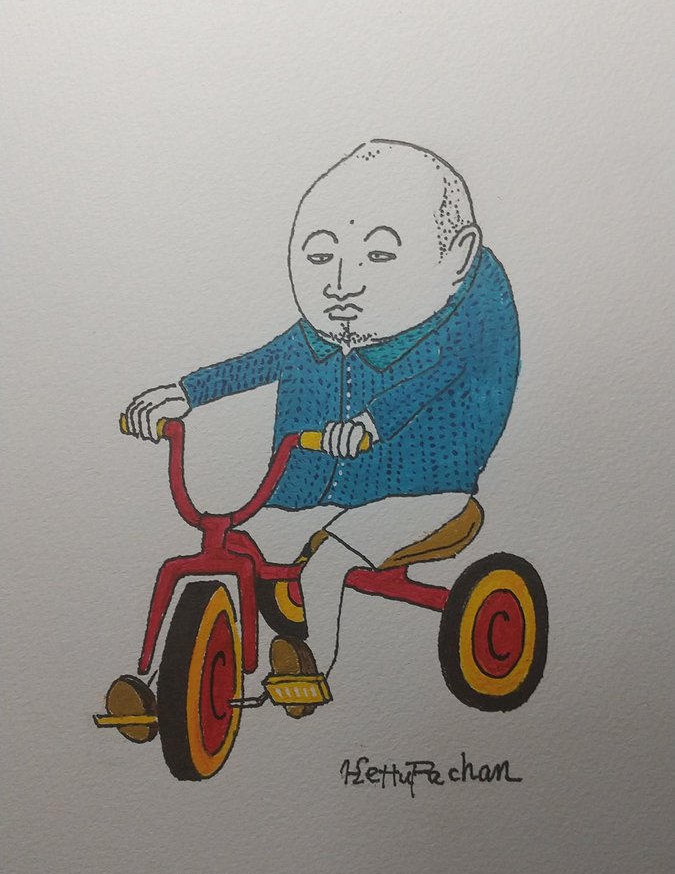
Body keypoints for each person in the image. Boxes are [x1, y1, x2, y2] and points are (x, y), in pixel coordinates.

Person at [124, 139, 520, 715]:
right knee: (240, 546)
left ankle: (310, 668)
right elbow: (256, 363)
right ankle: (163, 686)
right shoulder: (317, 337)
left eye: (378, 256)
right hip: (321, 497)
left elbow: (424, 386)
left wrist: (369, 424)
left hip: (425, 496)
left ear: (457, 259)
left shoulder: (447, 340)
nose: (341, 283)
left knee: (331, 559)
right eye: (318, 256)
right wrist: (186, 393)